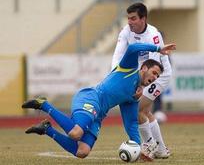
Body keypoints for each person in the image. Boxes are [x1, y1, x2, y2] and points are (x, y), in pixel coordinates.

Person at [22, 43, 176, 160]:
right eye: (154, 73)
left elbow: (131, 124)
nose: (155, 78)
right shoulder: (129, 68)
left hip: (99, 115)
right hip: (90, 98)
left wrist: (137, 147)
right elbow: (133, 47)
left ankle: (47, 129)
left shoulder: (133, 97)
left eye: (157, 77)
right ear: (143, 68)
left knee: (82, 152)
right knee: (76, 133)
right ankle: (44, 104)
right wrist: (157, 48)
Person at [111, 3, 173, 159]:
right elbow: (117, 57)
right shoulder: (126, 32)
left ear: (143, 18)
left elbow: (152, 68)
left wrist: (139, 86)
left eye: (133, 18)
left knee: (137, 109)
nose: (130, 22)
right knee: (144, 111)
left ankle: (149, 145)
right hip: (142, 75)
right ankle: (161, 149)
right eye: (128, 18)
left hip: (159, 75)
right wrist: (114, 76)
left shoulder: (154, 35)